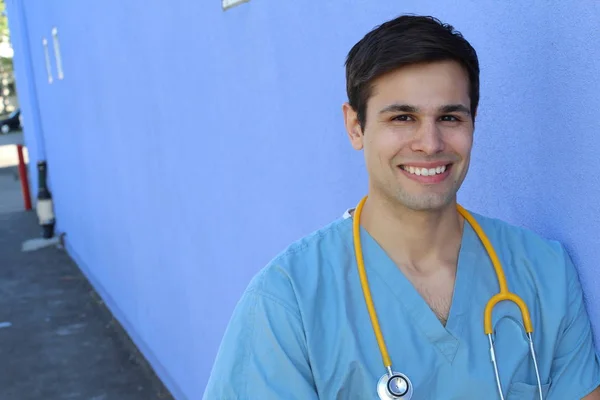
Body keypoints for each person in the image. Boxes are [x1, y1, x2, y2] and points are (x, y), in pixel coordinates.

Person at [202, 15, 600, 399]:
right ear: (355, 126)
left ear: (473, 122)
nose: (430, 143)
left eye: (449, 117)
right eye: (403, 117)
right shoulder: (288, 302)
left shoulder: (545, 272)